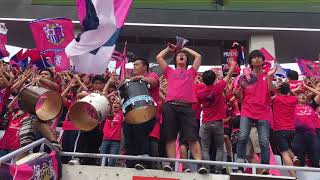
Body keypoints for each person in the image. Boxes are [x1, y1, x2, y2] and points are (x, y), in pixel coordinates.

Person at [156, 44, 207, 174]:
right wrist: (169, 49)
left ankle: (199, 164)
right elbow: (159, 57)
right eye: (179, 56)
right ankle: (172, 165)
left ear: (186, 60)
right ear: (175, 60)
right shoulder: (169, 71)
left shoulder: (191, 72)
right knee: (171, 137)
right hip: (170, 106)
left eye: (183, 56)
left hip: (186, 106)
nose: (181, 56)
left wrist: (185, 49)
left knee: (193, 137)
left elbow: (198, 56)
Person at [234, 50, 277, 174]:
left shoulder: (267, 75)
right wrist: (238, 91)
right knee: (242, 137)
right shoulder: (245, 77)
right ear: (250, 61)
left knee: (264, 141)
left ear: (263, 60)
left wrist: (269, 76)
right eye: (254, 57)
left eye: (259, 57)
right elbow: (240, 98)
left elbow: (272, 92)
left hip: (263, 113)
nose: (257, 59)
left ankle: (265, 168)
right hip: (247, 111)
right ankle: (240, 165)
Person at [196, 60, 236, 174]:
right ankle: (218, 170)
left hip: (205, 123)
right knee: (219, 147)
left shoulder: (200, 92)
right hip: (218, 123)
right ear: (214, 79)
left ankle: (207, 169)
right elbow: (228, 75)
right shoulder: (219, 87)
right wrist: (232, 65)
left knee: (205, 148)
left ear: (203, 80)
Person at [122, 57, 159, 169]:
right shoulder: (131, 80)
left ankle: (143, 161)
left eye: (137, 65)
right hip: (132, 113)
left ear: (145, 67)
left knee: (141, 134)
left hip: (147, 112)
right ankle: (130, 163)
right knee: (128, 136)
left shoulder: (151, 75)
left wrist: (142, 78)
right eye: (134, 65)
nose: (134, 67)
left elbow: (154, 82)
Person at [75, 75, 106, 165]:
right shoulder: (88, 92)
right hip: (86, 125)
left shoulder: (105, 96)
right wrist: (93, 95)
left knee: (94, 148)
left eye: (101, 84)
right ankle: (77, 158)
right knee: (82, 142)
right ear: (92, 85)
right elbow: (79, 95)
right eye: (96, 83)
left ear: (104, 85)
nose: (98, 85)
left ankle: (91, 162)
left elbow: (110, 115)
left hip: (99, 127)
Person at [272, 82, 299, 177]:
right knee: (287, 149)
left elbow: (268, 97)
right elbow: (298, 98)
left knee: (284, 153)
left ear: (279, 90)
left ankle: (293, 177)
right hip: (291, 130)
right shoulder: (293, 99)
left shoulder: (276, 99)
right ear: (288, 90)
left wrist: (276, 89)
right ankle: (294, 157)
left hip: (280, 129)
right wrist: (289, 90)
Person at [100, 97, 123, 166]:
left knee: (111, 163)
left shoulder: (121, 114)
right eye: (114, 103)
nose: (115, 104)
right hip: (105, 140)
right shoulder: (106, 113)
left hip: (115, 142)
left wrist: (118, 98)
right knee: (102, 162)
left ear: (120, 106)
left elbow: (123, 103)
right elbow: (105, 100)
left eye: (118, 103)